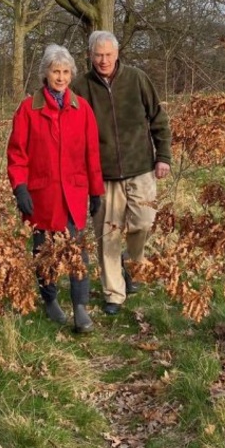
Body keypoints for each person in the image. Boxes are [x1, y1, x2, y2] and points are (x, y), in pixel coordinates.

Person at [72, 30, 172, 315]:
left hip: (140, 167)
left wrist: (162, 156)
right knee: (108, 235)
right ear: (90, 56)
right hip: (102, 175)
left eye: (108, 55)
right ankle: (114, 293)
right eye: (98, 55)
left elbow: (158, 118)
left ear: (117, 54)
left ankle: (132, 262)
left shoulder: (137, 79)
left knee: (144, 222)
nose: (103, 60)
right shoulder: (80, 87)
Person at [7, 44, 104, 333]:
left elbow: (91, 154)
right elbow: (16, 154)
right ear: (45, 74)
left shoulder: (81, 108)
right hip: (41, 196)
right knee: (44, 252)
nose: (60, 78)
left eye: (65, 72)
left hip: (73, 194)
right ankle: (50, 300)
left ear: (71, 74)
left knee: (77, 252)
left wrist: (96, 191)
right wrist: (20, 188)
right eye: (55, 71)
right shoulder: (28, 109)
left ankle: (80, 308)